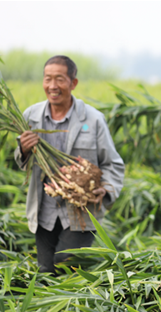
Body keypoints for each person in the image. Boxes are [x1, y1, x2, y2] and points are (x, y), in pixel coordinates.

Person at [14, 55, 124, 274]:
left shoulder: (93, 120)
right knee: (46, 272)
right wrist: (24, 150)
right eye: (47, 79)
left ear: (73, 83)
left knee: (65, 267)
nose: (52, 86)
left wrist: (105, 189)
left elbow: (113, 164)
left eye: (60, 79)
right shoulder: (30, 117)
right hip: (44, 211)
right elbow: (20, 162)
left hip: (81, 212)